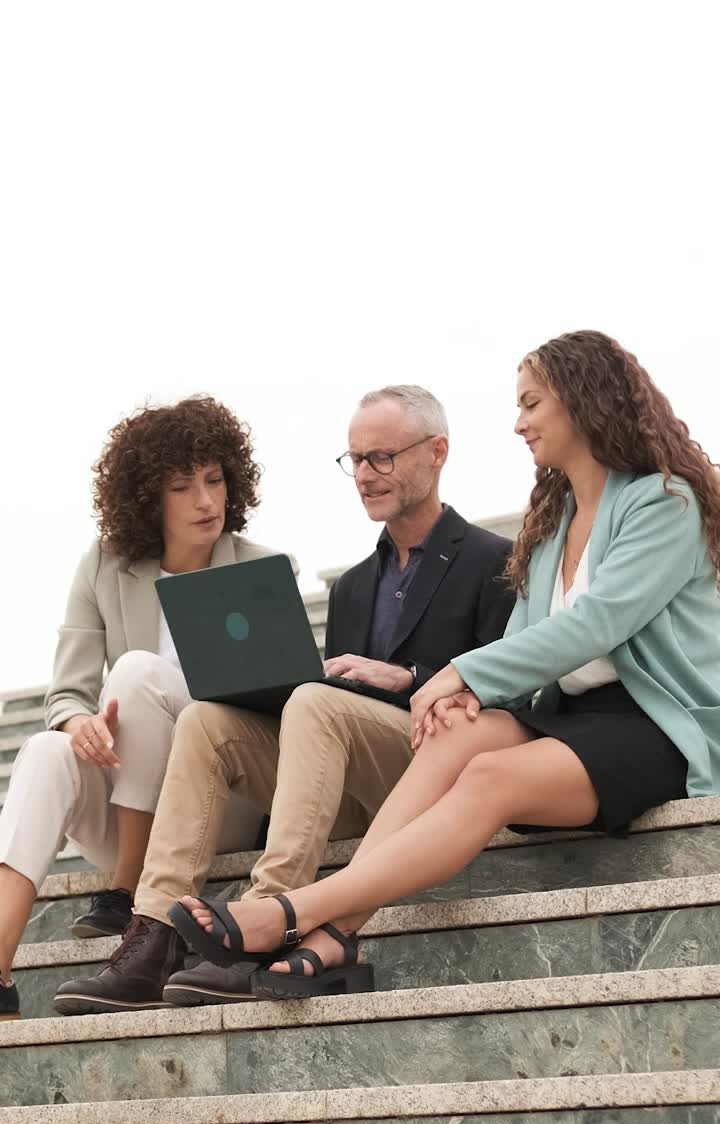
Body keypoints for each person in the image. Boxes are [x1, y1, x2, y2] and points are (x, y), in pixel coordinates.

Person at [167, 331, 720, 1000]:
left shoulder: (664, 502)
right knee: (457, 734)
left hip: (655, 724)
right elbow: (526, 633)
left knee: (489, 774)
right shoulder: (556, 519)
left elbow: (597, 623)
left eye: (532, 403)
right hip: (569, 716)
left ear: (583, 400)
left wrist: (460, 676)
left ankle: (294, 913)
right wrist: (464, 699)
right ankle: (337, 937)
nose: (519, 423)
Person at [53, 384, 515, 1014]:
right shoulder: (354, 587)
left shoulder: (497, 560)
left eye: (383, 456)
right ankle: (154, 934)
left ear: (437, 452)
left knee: (314, 701)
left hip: (438, 775)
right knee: (208, 718)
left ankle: (263, 918)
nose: (365, 474)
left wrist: (411, 677)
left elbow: (514, 692)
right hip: (347, 788)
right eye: (354, 459)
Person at [0, 396, 280, 1021]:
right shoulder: (104, 567)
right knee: (46, 747)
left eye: (214, 480)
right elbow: (67, 692)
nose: (207, 501)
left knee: (136, 672)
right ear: (147, 500)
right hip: (131, 801)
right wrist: (80, 723)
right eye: (184, 487)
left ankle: (129, 894)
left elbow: (283, 714)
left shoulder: (260, 570)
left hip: (223, 801)